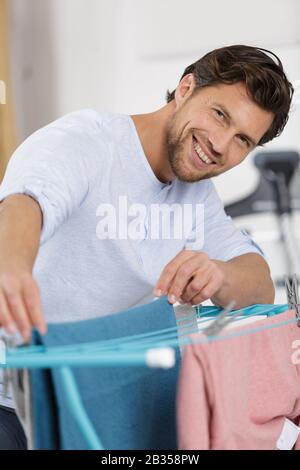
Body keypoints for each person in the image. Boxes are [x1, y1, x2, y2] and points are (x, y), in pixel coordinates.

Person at [0, 45, 294, 449]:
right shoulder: (86, 141)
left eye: (243, 140)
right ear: (185, 88)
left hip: (111, 401)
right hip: (14, 398)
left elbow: (258, 284)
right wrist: (11, 268)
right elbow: (25, 202)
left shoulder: (198, 197)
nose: (221, 144)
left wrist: (218, 273)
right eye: (220, 115)